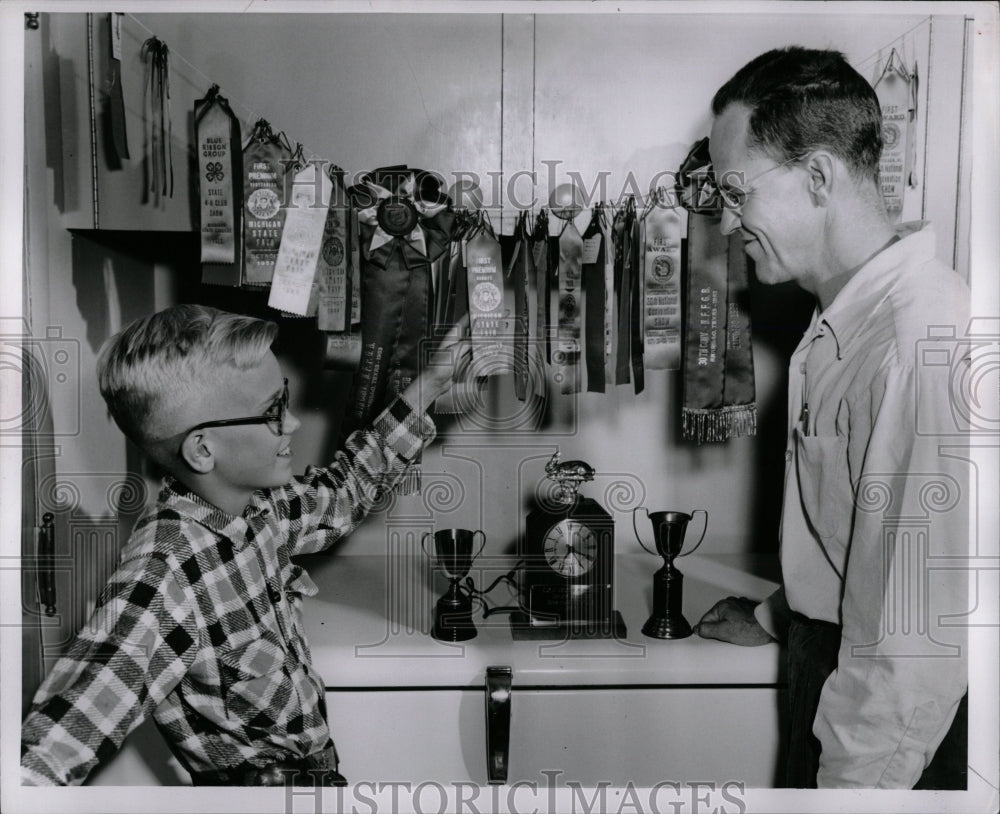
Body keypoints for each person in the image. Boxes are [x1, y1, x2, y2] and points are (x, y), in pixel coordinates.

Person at [21, 304, 469, 786]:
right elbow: (51, 750)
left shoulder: (260, 510)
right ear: (202, 449)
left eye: (286, 400)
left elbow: (345, 490)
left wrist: (432, 384)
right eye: (273, 411)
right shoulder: (165, 577)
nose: (294, 423)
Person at [694, 47, 970, 789]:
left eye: (735, 190)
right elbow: (863, 546)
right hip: (831, 671)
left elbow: (911, 652)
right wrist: (777, 618)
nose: (726, 219)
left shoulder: (918, 342)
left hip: (891, 742)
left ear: (817, 176)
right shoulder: (844, 323)